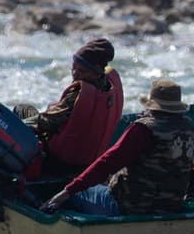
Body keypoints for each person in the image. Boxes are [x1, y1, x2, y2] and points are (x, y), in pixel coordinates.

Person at [40, 78, 194, 216]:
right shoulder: (190, 129)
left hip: (131, 207)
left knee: (74, 192)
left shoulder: (143, 129)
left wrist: (65, 192)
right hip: (171, 207)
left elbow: (107, 163)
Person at [19, 37, 124, 178]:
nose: (75, 74)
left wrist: (15, 125)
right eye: (73, 68)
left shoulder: (79, 94)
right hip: (89, 159)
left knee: (22, 110)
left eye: (82, 70)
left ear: (97, 71)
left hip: (59, 160)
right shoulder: (109, 87)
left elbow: (45, 121)